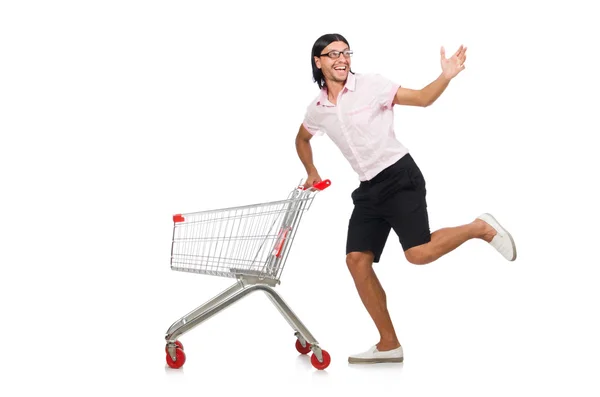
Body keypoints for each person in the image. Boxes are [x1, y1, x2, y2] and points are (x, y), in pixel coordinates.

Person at [295, 33, 517, 365]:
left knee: (418, 253)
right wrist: (311, 169)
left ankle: (479, 227)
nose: (341, 59)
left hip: (399, 176)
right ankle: (389, 344)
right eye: (332, 54)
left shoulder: (371, 85)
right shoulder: (318, 108)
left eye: (346, 52)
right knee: (357, 261)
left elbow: (423, 98)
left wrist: (445, 75)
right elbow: (301, 139)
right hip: (368, 190)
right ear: (318, 62)